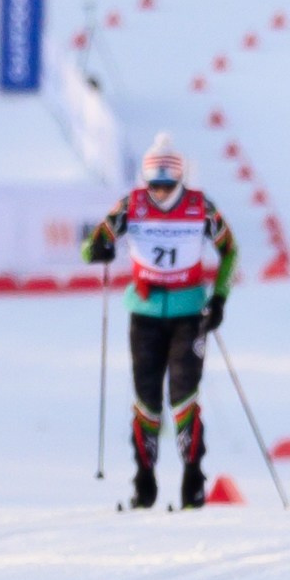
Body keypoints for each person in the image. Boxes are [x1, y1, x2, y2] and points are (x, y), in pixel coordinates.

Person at [82, 133, 237, 509]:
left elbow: (229, 251)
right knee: (146, 398)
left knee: (183, 394)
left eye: (168, 185)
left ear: (181, 179)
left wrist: (218, 298)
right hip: (145, 314)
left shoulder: (201, 207)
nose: (161, 193)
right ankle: (144, 480)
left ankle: (192, 478)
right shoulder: (130, 206)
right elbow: (91, 247)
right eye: (154, 185)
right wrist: (98, 248)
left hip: (189, 314)